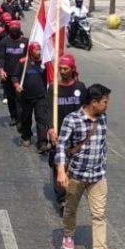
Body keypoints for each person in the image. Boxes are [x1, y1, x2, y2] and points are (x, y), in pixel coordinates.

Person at [55, 84, 117, 249]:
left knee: (99, 214)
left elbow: (102, 144)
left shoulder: (103, 118)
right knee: (71, 209)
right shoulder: (72, 120)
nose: (107, 105)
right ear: (93, 102)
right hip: (76, 175)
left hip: (98, 176)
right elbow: (61, 146)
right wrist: (60, 171)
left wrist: (102, 163)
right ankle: (68, 233)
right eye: (105, 102)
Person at [47, 54, 87, 215]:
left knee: (75, 169)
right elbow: (48, 110)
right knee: (60, 167)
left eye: (66, 69)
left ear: (72, 69)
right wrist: (50, 129)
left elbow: (87, 110)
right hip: (60, 136)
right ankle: (62, 199)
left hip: (77, 137)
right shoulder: (53, 88)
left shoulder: (81, 88)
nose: (63, 71)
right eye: (60, 69)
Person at [13, 42, 50, 152]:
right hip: (26, 96)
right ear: (30, 51)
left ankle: (42, 143)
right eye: (36, 50)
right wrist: (17, 85)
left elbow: (50, 77)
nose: (38, 52)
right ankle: (26, 136)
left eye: (39, 49)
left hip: (41, 96)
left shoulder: (44, 63)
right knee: (26, 118)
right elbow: (15, 76)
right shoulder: (22, 62)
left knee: (41, 119)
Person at [0, 20, 28, 126]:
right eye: (12, 29)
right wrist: (1, 70)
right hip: (8, 74)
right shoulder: (4, 42)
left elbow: (30, 56)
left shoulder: (26, 41)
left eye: (16, 29)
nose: (14, 31)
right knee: (11, 97)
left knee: (21, 98)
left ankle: (21, 118)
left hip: (22, 75)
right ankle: (13, 116)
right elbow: (1, 57)